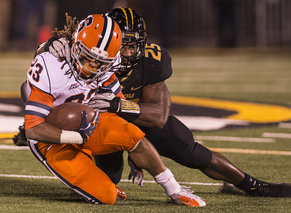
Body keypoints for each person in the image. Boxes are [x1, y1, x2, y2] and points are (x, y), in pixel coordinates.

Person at [22, 13, 206, 206]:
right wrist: (77, 137)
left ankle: (174, 189)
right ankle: (95, 182)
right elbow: (33, 128)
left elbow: (120, 108)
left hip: (88, 121)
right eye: (89, 57)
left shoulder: (111, 62)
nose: (94, 65)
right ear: (75, 46)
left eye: (101, 62)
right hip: (50, 137)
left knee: (132, 133)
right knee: (107, 196)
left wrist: (134, 151)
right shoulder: (52, 64)